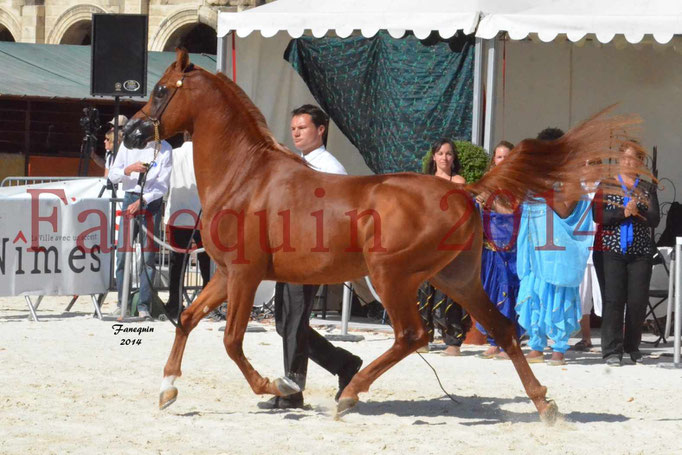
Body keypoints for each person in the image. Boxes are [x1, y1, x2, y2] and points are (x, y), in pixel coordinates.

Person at [262, 104, 362, 409]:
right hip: (291, 251)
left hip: (310, 254)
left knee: (293, 320)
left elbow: (340, 212)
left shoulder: (329, 167)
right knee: (284, 322)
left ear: (321, 130)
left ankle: (292, 392)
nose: (296, 133)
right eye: (293, 128)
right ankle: (343, 364)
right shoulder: (299, 162)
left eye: (302, 128)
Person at [515, 128, 593, 366]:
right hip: (535, 250)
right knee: (534, 293)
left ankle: (559, 347)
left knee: (558, 294)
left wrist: (542, 188)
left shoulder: (571, 177)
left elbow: (565, 209)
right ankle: (537, 345)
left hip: (558, 252)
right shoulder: (536, 177)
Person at [593, 141, 660, 366]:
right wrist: (624, 212)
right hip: (612, 249)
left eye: (633, 159)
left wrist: (637, 210)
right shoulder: (607, 184)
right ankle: (612, 349)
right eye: (624, 158)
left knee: (637, 301)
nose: (628, 162)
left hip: (640, 251)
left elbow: (654, 219)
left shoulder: (647, 187)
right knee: (613, 299)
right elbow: (598, 216)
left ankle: (632, 346)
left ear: (640, 162)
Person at [108, 137, 172, 320]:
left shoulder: (165, 148)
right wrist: (129, 169)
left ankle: (144, 305)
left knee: (148, 257)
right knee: (122, 254)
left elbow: (162, 185)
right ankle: (123, 303)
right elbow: (112, 175)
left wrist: (143, 200)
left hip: (151, 202)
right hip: (130, 196)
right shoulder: (128, 144)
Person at [417, 139, 470, 356]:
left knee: (451, 292)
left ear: (453, 157)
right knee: (423, 290)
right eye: (440, 153)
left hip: (451, 243)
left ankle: (453, 341)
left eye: (448, 154)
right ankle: (422, 338)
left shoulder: (458, 181)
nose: (444, 158)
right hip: (428, 242)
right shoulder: (425, 181)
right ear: (434, 157)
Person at [475, 140, 523, 360]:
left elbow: (511, 211)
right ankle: (494, 340)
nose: (502, 160)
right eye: (499, 157)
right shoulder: (487, 183)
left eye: (507, 156)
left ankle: (509, 340)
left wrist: (491, 203)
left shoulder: (518, 184)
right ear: (493, 160)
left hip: (511, 248)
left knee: (511, 294)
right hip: (490, 247)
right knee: (489, 293)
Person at [164, 133, 211, 318]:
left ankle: (175, 302)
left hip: (177, 213)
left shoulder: (173, 155)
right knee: (205, 261)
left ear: (184, 137)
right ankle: (206, 302)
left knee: (177, 263)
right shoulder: (204, 154)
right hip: (201, 214)